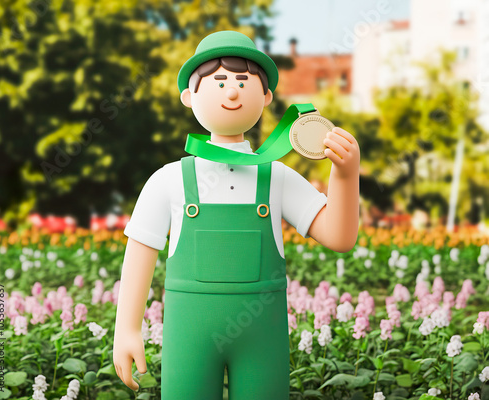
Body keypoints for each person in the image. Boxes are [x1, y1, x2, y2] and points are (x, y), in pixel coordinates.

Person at [113, 30, 360, 400]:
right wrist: (127, 329)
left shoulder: (276, 176)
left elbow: (339, 238)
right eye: (220, 82)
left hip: (263, 337)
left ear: (266, 97)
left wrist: (344, 175)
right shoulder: (168, 180)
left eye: (244, 82)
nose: (232, 92)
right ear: (189, 96)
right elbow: (140, 252)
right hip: (188, 336)